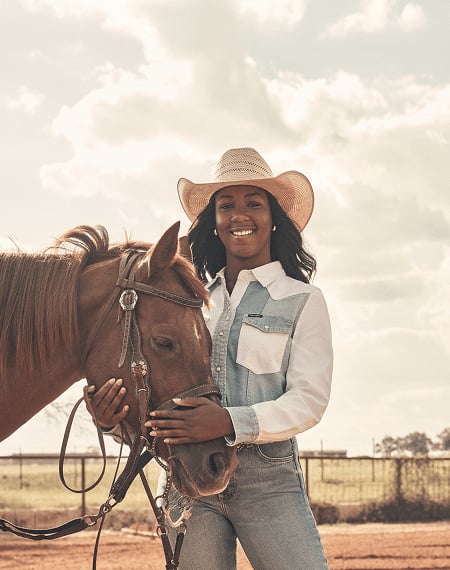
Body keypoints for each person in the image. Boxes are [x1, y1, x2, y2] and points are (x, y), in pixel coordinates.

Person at [90, 147, 333, 569]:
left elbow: (308, 401)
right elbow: (163, 394)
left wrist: (229, 421)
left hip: (268, 483)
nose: (240, 215)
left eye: (253, 203)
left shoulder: (302, 300)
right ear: (215, 224)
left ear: (273, 217)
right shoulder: (190, 302)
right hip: (187, 479)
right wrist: (113, 422)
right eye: (227, 206)